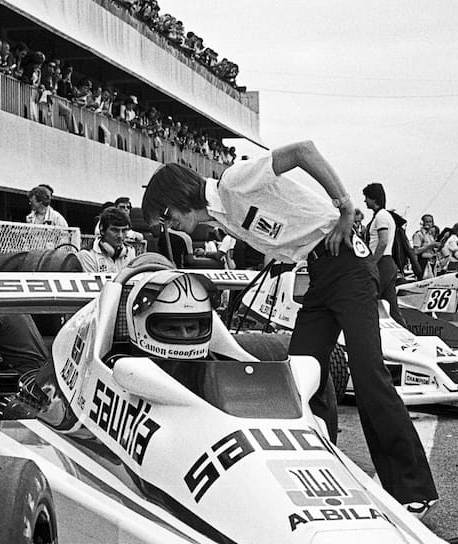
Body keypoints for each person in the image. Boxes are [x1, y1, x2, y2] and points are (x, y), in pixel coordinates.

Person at [139, 143, 438, 514]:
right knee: (296, 379)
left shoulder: (232, 183)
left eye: (166, 218)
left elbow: (302, 151)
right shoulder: (223, 215)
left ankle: (413, 489)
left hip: (346, 263)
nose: (170, 228)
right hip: (320, 272)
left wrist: (345, 207)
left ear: (173, 201)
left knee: (369, 375)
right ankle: (319, 470)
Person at [362, 182, 405, 324]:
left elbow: (383, 241)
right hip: (387, 263)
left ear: (373, 198)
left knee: (368, 300)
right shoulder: (383, 216)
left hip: (382, 263)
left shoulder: (381, 216)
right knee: (392, 307)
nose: (364, 201)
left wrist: (372, 263)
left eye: (366, 197)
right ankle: (405, 334)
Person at [77, 207, 135, 273]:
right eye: (115, 230)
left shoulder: (130, 251)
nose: (120, 236)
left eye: (124, 230)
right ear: (102, 230)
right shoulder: (87, 255)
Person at [411, 214, 441, 280]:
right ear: (422, 223)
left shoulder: (430, 235)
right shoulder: (419, 234)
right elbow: (416, 251)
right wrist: (429, 246)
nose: (428, 224)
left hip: (432, 262)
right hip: (423, 262)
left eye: (430, 222)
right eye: (426, 222)